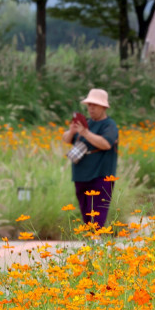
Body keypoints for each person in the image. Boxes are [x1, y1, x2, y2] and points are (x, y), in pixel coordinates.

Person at [61, 88, 118, 229]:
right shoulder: (85, 123)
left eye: (95, 105)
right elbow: (66, 139)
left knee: (98, 213)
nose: (91, 108)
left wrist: (85, 133)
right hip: (81, 175)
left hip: (101, 175)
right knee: (86, 214)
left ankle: (97, 243)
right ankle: (91, 243)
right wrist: (73, 131)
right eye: (89, 105)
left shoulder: (109, 125)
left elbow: (106, 143)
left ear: (104, 107)